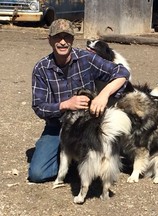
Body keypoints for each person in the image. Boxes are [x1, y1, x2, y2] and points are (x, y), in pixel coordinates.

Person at [28, 19, 130, 183]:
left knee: (101, 167)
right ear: (50, 40)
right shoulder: (41, 68)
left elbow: (122, 72)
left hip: (87, 125)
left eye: (67, 37)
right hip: (58, 127)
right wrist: (65, 104)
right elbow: (39, 107)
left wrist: (103, 95)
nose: (62, 42)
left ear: (73, 40)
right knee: (37, 174)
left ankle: (76, 160)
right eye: (57, 37)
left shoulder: (86, 59)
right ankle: (67, 158)